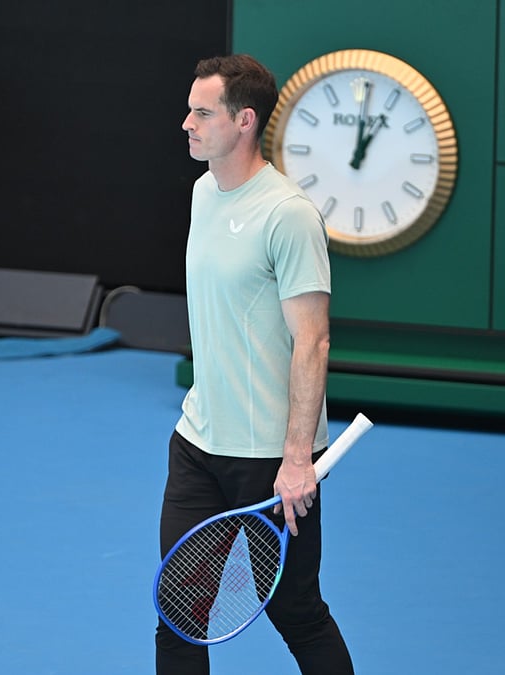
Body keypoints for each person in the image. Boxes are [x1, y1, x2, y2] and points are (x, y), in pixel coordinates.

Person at [156, 55, 354, 674]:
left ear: (244, 121)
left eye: (201, 112)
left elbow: (313, 340)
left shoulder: (288, 215)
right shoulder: (201, 192)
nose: (186, 123)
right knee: (179, 616)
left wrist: (298, 459)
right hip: (197, 445)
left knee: (296, 612)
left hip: (271, 463)